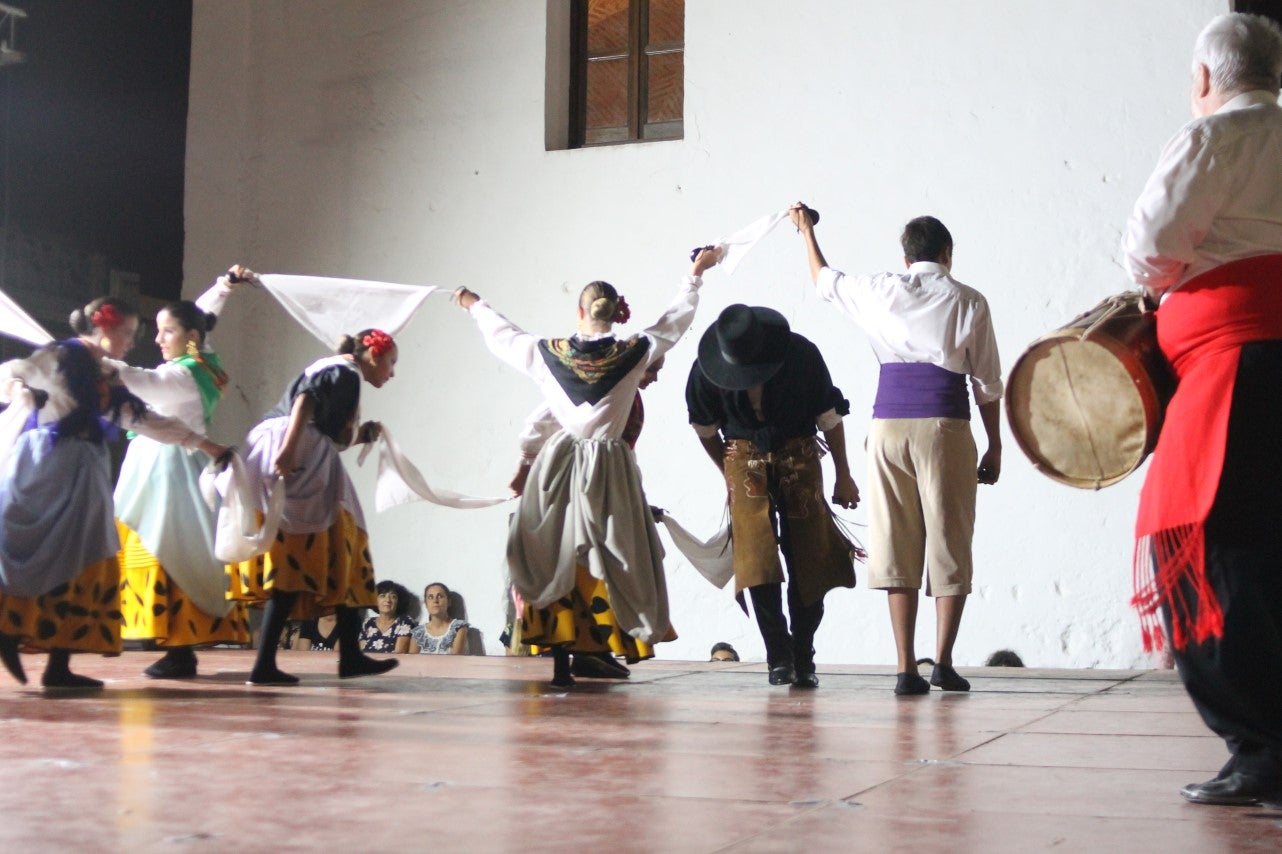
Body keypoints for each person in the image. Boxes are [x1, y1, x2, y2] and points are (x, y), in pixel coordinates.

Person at [1121, 13, 1282, 807]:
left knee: (1224, 554)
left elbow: (1148, 250)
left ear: (1205, 79)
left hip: (1233, 373)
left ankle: (1263, 749)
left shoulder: (1211, 140)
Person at [453, 246, 720, 687]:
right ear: (617, 313)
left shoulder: (547, 353)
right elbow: (675, 320)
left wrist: (473, 304)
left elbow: (505, 336)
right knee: (614, 557)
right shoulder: (635, 352)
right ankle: (597, 645)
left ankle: (568, 657)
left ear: (579, 310)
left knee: (554, 557)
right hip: (608, 468)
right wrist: (694, 273)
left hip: (559, 466)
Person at [791, 204, 1002, 696]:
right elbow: (987, 384)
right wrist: (994, 445)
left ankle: (906, 668)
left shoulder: (879, 289)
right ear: (948, 254)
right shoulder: (969, 301)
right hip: (944, 427)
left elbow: (822, 278)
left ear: (906, 258)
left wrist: (806, 231)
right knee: (949, 541)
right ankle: (943, 664)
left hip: (886, 428)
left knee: (895, 542)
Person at [0, 297, 227, 689]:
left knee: (86, 560)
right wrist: (21, 390)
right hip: (50, 468)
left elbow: (141, 417)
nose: (132, 342)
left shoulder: (101, 371)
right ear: (106, 329)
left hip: (85, 471)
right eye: (127, 334)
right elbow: (13, 371)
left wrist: (207, 446)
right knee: (39, 552)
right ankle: (11, 631)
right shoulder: (61, 356)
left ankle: (58, 665)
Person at [686, 304, 859, 689]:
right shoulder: (706, 371)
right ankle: (778, 656)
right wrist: (728, 473)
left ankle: (804, 653)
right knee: (756, 559)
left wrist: (844, 475)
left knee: (810, 555)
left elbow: (829, 416)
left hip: (798, 450)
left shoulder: (802, 355)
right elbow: (705, 431)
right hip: (743, 457)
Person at [227, 329, 402, 685]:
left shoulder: (339, 371)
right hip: (297, 452)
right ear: (373, 354)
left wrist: (360, 435)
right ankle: (270, 664)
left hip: (302, 451)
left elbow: (329, 431)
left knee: (337, 549)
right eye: (391, 362)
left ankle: (346, 655)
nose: (392, 372)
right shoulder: (347, 372)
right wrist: (290, 448)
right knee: (318, 551)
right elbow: (306, 401)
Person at [110, 266, 252, 679]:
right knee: (173, 551)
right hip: (170, 464)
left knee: (167, 551)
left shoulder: (180, 375)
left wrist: (95, 359)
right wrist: (224, 285)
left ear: (188, 336)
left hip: (166, 471)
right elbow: (204, 315)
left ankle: (180, 649)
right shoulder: (203, 360)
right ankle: (176, 647)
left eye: (166, 331)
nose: (157, 339)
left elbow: (141, 381)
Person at [505, 355, 668, 680]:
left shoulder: (629, 399)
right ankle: (565, 658)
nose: (653, 378)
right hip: (569, 485)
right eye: (650, 369)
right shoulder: (585, 389)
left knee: (605, 568)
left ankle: (594, 648)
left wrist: (635, 498)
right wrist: (523, 473)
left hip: (604, 489)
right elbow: (536, 427)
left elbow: (622, 453)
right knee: (567, 567)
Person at [409, 582, 467, 654]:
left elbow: (456, 660)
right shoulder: (418, 633)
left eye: (440, 596)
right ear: (426, 604)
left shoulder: (458, 628)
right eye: (430, 597)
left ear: (449, 602)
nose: (435, 601)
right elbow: (411, 662)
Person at [360, 580, 416, 654]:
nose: (388, 600)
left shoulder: (405, 621)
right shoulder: (367, 623)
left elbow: (399, 654)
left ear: (398, 602)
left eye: (393, 597)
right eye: (382, 596)